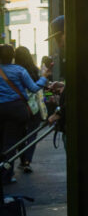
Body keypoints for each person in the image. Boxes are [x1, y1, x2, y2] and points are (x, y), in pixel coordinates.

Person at [0, 44, 48, 185]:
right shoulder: (20, 70)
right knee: (10, 143)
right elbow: (33, 88)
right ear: (12, 56)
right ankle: (7, 175)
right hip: (16, 110)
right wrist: (44, 78)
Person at [13, 46, 44, 173]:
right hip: (34, 107)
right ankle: (27, 161)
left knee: (20, 134)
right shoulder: (34, 71)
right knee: (32, 135)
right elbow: (38, 88)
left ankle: (22, 159)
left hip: (20, 106)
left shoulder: (14, 71)